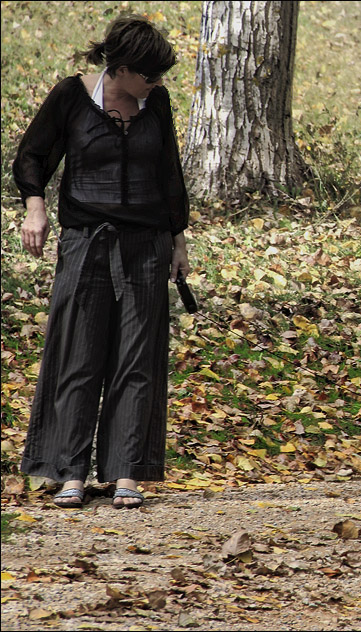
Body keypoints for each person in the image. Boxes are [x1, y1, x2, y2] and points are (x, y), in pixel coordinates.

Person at [14, 15, 190, 509]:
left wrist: (178, 242)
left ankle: (125, 472)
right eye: (150, 75)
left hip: (148, 246)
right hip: (86, 242)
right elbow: (31, 157)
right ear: (123, 67)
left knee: (137, 359)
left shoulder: (156, 104)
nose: (156, 84)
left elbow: (170, 173)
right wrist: (36, 207)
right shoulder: (72, 96)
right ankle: (69, 470)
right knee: (78, 354)